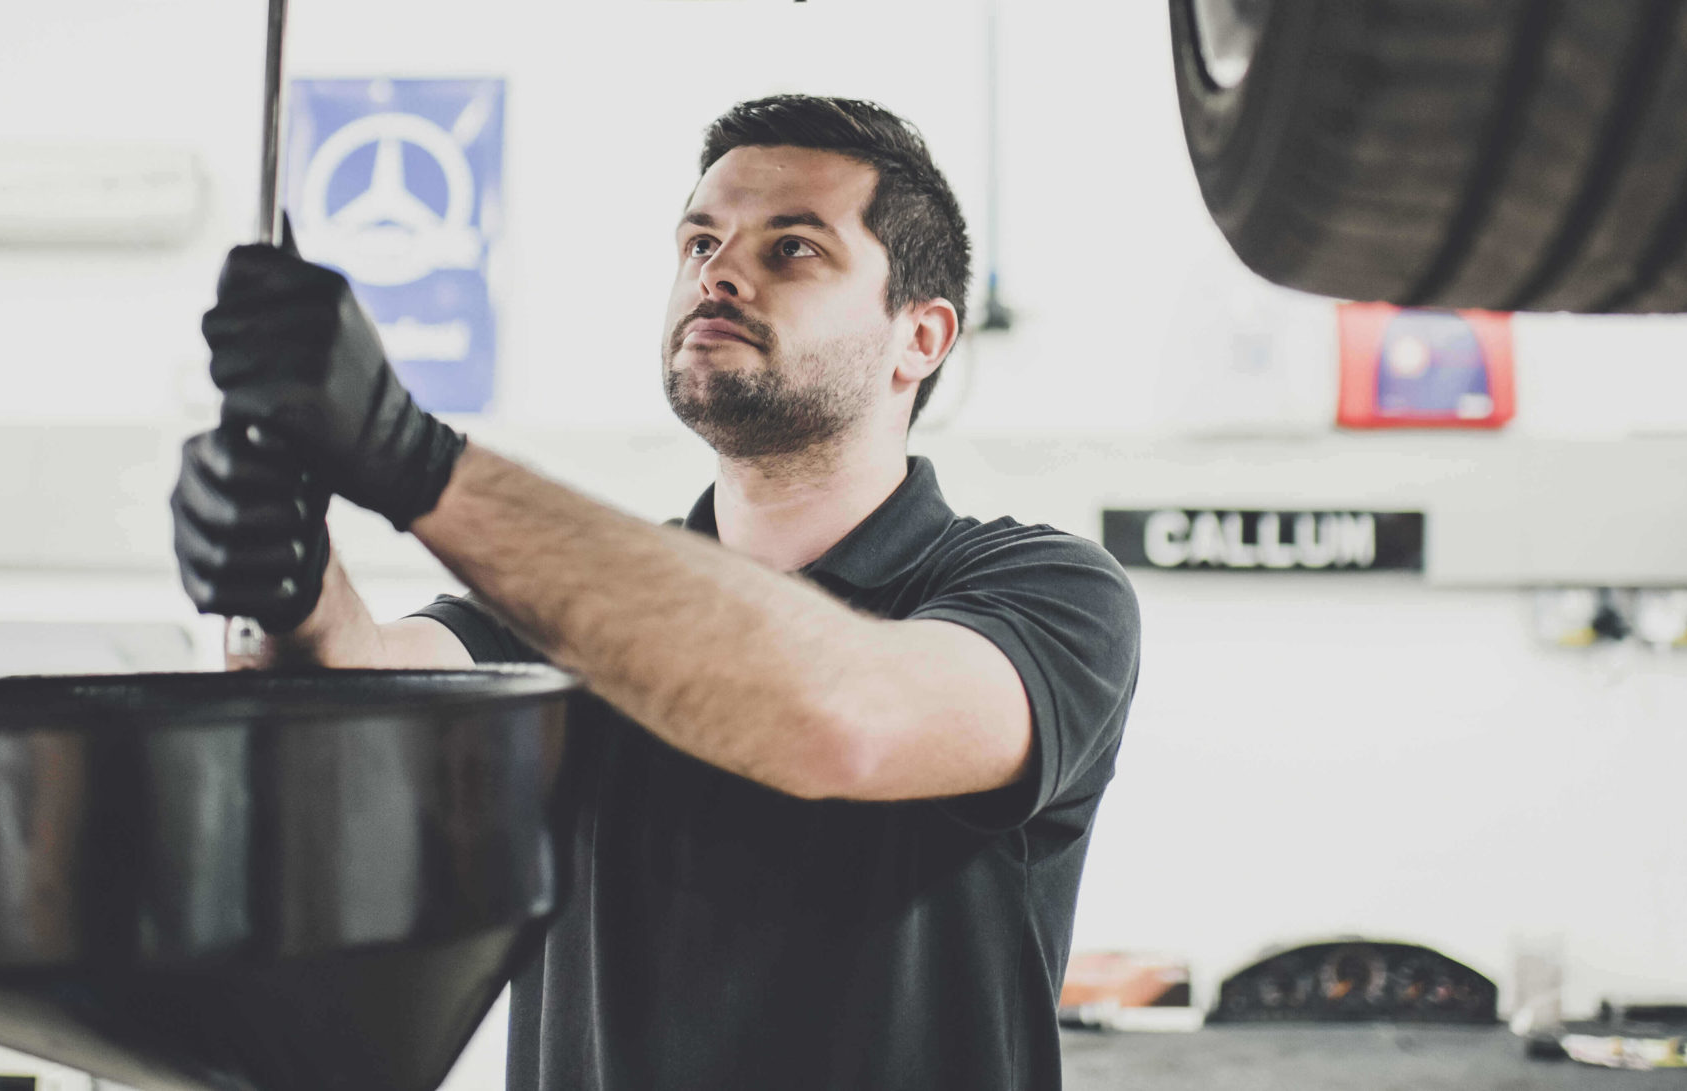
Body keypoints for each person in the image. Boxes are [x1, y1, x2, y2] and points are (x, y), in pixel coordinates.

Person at [171, 93, 1141, 1091]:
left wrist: (413, 461)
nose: (719, 272)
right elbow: (353, 692)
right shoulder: (565, 612)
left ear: (921, 336)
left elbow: (841, 717)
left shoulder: (1042, 593)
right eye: (699, 242)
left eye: (792, 248)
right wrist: (288, 578)